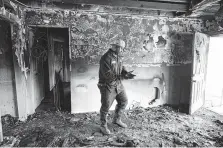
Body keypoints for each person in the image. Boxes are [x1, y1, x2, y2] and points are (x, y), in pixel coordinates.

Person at [97, 39, 136, 135]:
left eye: (123, 48)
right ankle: (103, 126)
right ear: (115, 47)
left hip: (118, 83)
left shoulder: (118, 56)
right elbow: (108, 76)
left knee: (124, 101)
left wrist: (126, 73)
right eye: (121, 48)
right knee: (106, 106)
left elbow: (121, 68)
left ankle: (116, 119)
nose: (122, 50)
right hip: (107, 85)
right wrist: (123, 77)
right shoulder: (105, 58)